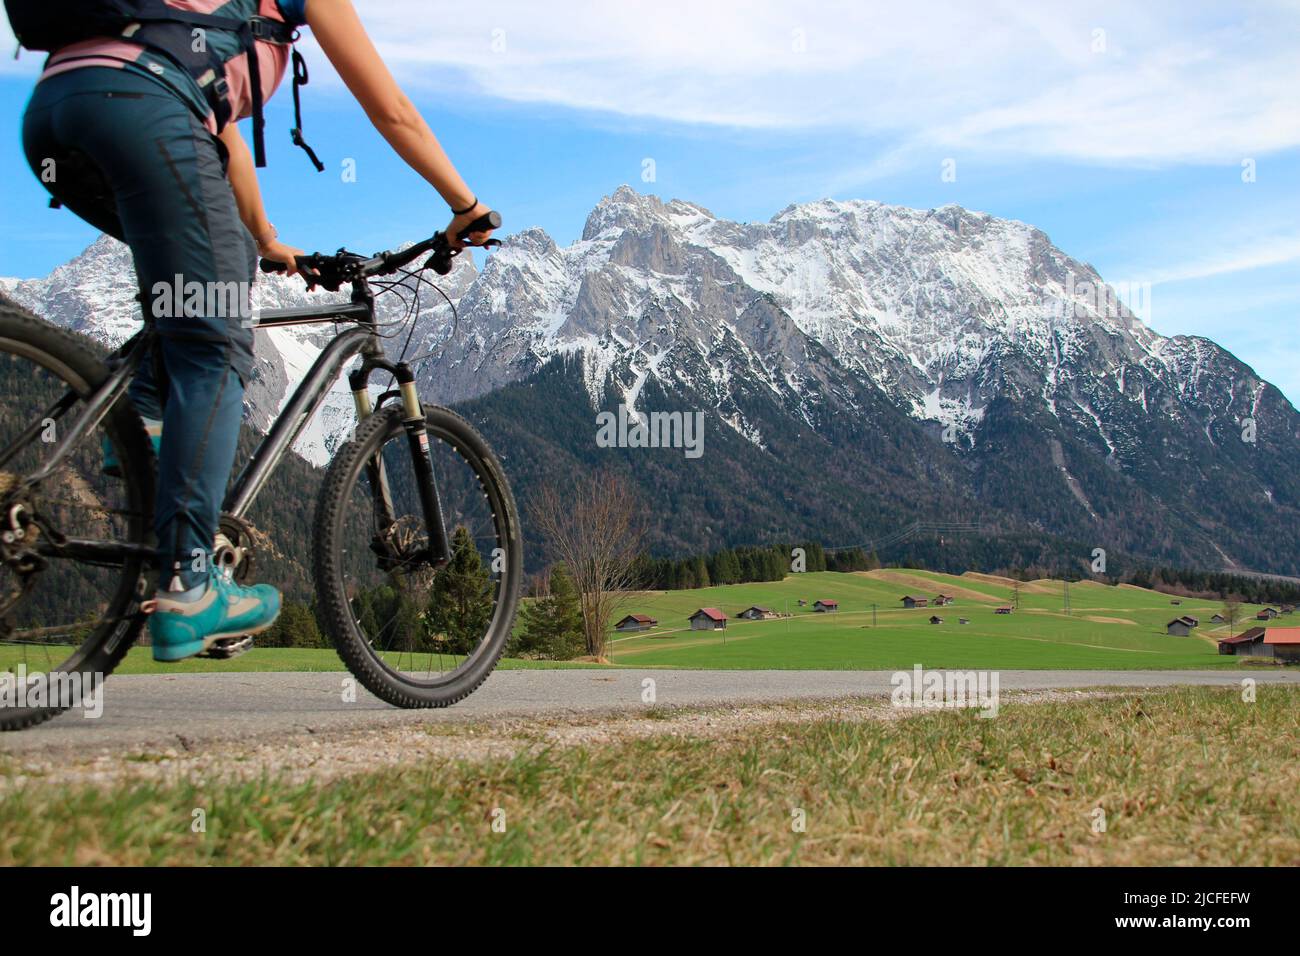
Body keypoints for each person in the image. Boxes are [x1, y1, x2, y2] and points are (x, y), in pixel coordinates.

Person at [20, 0, 495, 661]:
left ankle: (146, 431)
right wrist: (465, 205)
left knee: (200, 287)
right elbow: (392, 110)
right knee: (215, 348)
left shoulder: (193, 19)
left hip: (59, 114)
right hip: (143, 112)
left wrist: (267, 240)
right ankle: (189, 582)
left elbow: (216, 132)